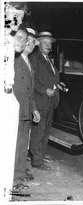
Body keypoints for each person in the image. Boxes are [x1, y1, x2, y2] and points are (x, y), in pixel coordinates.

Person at [1, 2, 29, 200]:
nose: (17, 21)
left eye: (20, 17)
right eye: (13, 14)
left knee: (8, 149)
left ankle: (5, 193)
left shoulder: (8, 40)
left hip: (9, 96)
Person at [13, 28, 41, 184]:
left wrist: (34, 108)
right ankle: (12, 177)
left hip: (26, 111)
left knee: (23, 144)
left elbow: (30, 91)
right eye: (26, 41)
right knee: (15, 144)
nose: (30, 44)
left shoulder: (28, 62)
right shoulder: (15, 60)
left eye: (32, 42)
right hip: (17, 110)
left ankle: (20, 172)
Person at [29, 31, 59, 170]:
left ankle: (41, 156)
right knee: (38, 132)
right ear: (38, 44)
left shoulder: (48, 59)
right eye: (45, 43)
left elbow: (50, 78)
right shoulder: (34, 58)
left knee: (46, 131)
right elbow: (31, 80)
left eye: (50, 43)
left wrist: (57, 85)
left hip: (50, 101)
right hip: (40, 100)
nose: (48, 46)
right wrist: (44, 89)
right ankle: (36, 161)